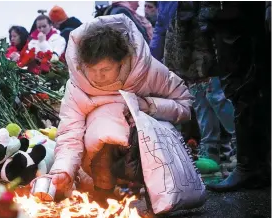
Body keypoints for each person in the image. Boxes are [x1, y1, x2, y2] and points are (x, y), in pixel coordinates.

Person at [46, 14, 193, 201]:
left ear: (121, 62)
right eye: (92, 70)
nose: (97, 77)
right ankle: (104, 194)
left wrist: (149, 106)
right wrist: (63, 170)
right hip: (98, 156)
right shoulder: (77, 86)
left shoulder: (147, 72)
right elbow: (69, 133)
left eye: (105, 70)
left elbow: (185, 104)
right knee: (105, 127)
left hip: (151, 149)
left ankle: (156, 194)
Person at [199, 1, 271, 191]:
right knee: (246, 87)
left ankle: (249, 167)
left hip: (233, 16)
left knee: (242, 87)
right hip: (232, 16)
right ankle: (256, 166)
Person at [163, 1, 236, 176]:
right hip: (189, 59)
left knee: (217, 99)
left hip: (208, 53)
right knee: (202, 104)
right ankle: (211, 154)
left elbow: (211, 15)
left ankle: (243, 150)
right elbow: (169, 28)